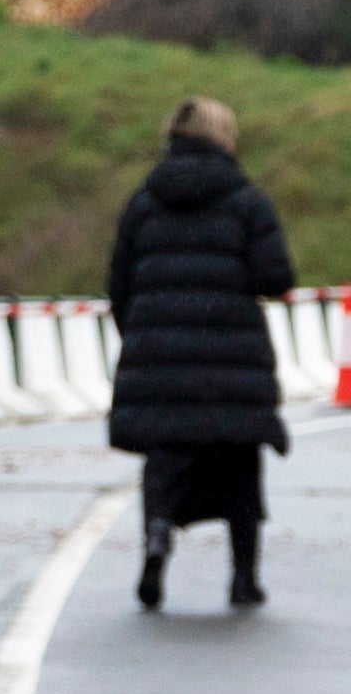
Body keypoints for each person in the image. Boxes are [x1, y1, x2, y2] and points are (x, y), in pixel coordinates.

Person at [107, 96, 293, 612]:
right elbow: (275, 277)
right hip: (233, 362)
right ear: (225, 138)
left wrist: (145, 337)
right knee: (238, 463)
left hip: (160, 357)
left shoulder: (142, 203)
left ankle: (157, 540)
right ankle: (243, 578)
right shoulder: (247, 202)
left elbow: (118, 287)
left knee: (165, 461)